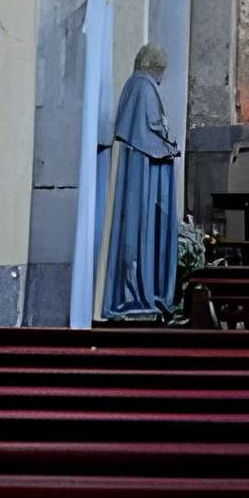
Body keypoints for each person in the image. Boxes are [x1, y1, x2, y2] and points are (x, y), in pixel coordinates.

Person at [102, 42, 179, 317]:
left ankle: (143, 291)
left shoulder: (134, 86)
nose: (162, 75)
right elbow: (148, 133)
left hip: (140, 165)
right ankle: (141, 294)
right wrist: (169, 148)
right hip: (142, 172)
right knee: (142, 229)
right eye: (162, 69)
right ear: (155, 67)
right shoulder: (143, 87)